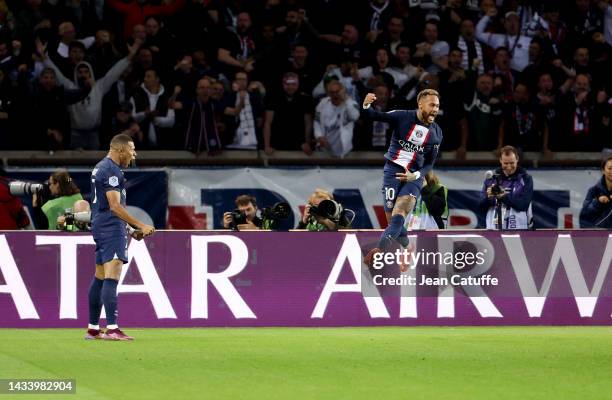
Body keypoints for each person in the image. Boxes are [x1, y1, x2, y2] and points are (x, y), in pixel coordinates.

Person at [361, 88, 443, 268]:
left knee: (399, 217)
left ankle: (380, 249)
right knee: (392, 220)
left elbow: (430, 163)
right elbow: (373, 115)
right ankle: (408, 246)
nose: (435, 109)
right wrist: (366, 104)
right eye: (431, 105)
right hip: (392, 171)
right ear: (420, 104)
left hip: (413, 177)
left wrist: (417, 175)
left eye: (437, 106)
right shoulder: (402, 116)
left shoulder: (437, 133)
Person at [86, 134, 155, 341]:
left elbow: (105, 207)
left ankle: (93, 328)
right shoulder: (112, 171)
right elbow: (115, 207)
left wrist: (130, 231)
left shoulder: (101, 167)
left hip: (101, 224)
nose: (134, 154)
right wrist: (140, 224)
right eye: (132, 149)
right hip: (110, 227)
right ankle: (113, 329)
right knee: (112, 276)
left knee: (100, 276)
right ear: (120, 150)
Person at [479, 146, 533, 230]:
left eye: (512, 163)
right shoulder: (491, 179)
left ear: (517, 159)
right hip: (493, 229)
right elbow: (480, 207)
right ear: (500, 160)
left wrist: (504, 197)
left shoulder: (526, 178)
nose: (509, 167)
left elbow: (524, 205)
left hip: (519, 229)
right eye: (506, 163)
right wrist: (488, 198)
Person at [580, 156, 612, 229]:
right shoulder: (594, 190)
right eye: (610, 168)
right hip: (600, 234)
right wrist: (598, 202)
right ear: (603, 171)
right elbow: (585, 214)